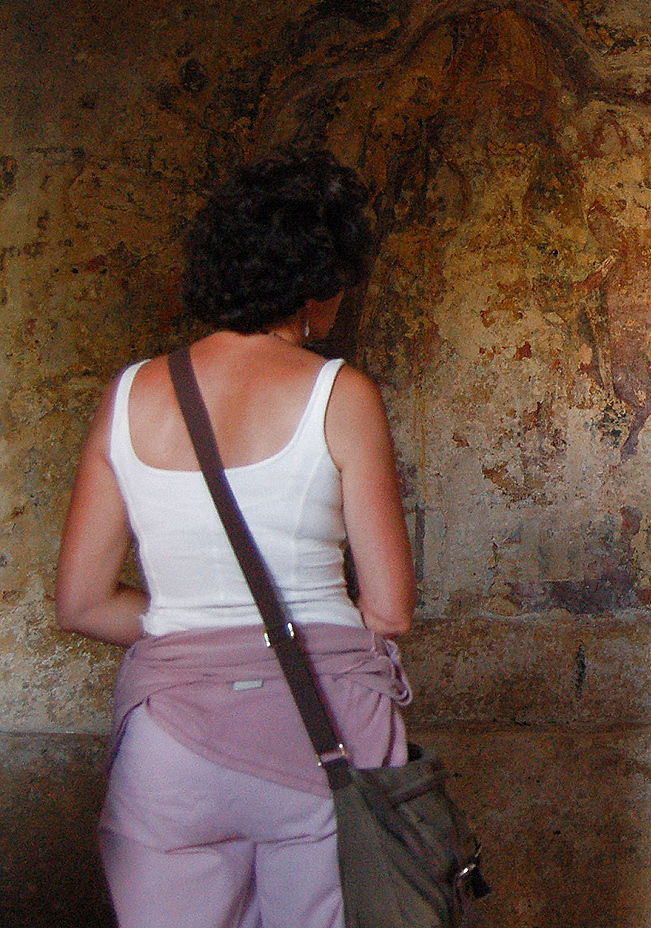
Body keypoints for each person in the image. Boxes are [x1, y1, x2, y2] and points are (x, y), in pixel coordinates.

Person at [55, 150, 416, 928]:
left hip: (170, 744)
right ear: (323, 284)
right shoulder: (340, 392)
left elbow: (82, 603)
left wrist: (187, 630)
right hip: (321, 731)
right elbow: (388, 611)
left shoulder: (129, 395)